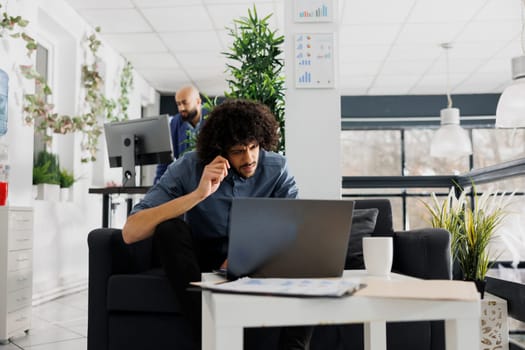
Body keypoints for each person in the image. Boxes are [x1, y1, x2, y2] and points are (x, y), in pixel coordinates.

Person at [123, 99, 313, 350]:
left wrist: (247, 256)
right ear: (220, 150)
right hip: (202, 260)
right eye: (238, 151)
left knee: (307, 254)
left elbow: (294, 228)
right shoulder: (188, 167)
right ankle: (210, 338)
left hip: (259, 258)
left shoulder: (277, 169)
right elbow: (130, 231)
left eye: (253, 147)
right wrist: (198, 195)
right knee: (170, 230)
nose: (249, 158)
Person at [154, 85, 206, 184]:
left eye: (185, 103)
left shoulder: (213, 118)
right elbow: (167, 157)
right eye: (178, 104)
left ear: (198, 101)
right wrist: (157, 184)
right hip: (186, 180)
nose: (181, 108)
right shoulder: (175, 122)